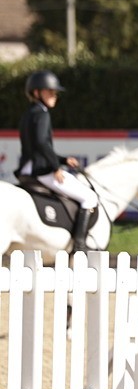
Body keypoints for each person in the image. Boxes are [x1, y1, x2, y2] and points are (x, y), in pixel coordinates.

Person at [17, 70, 99, 252]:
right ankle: (80, 244)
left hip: (26, 169)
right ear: (37, 93)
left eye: (55, 92)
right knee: (89, 197)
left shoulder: (29, 113)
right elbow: (40, 143)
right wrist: (56, 166)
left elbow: (38, 146)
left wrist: (62, 159)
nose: (54, 95)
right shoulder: (42, 113)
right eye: (50, 91)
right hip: (40, 171)